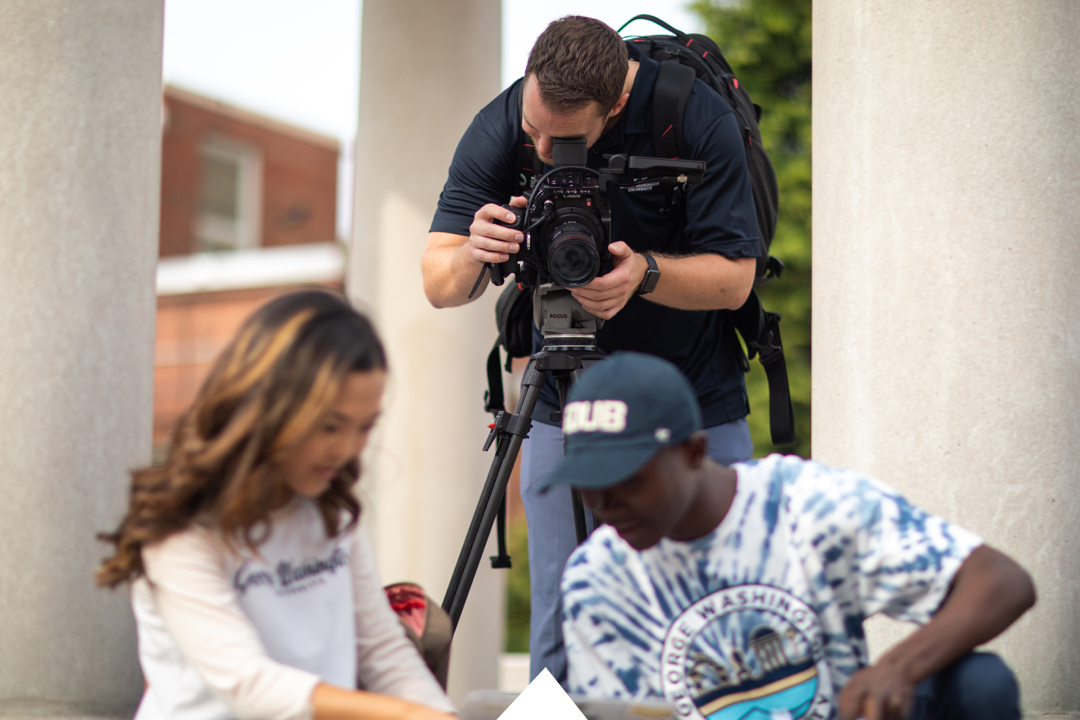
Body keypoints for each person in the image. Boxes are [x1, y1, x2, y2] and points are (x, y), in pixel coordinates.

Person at [421, 15, 761, 684]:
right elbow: (436, 282)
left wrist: (646, 275)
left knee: (720, 624)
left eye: (566, 139)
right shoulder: (503, 122)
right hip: (565, 393)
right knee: (562, 624)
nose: (545, 149)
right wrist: (470, 252)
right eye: (533, 133)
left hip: (696, 402)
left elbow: (736, 278)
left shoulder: (691, 117)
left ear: (619, 106)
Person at [546, 352, 1036, 720]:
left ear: (694, 452)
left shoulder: (808, 503)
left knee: (980, 683)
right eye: (589, 483)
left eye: (629, 478)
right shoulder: (597, 578)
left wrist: (901, 666)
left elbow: (1001, 579)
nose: (606, 505)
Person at [97, 290, 457, 720]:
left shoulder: (333, 514)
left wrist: (442, 713)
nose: (346, 449)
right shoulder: (182, 532)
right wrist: (410, 715)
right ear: (267, 407)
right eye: (329, 426)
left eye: (365, 428)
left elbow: (384, 653)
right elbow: (249, 685)